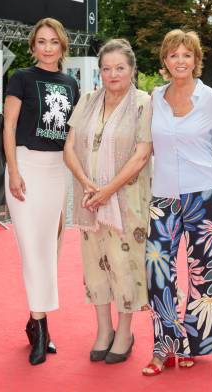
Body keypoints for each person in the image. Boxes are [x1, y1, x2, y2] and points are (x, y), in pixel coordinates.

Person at [142, 29, 212, 376]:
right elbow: (144, 148)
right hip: (163, 195)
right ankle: (166, 344)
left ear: (196, 60)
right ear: (165, 61)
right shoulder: (155, 98)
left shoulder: (211, 99)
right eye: (173, 55)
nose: (180, 61)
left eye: (186, 55)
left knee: (203, 274)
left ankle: (193, 344)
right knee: (157, 268)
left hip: (204, 193)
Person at [64, 39, 153, 364]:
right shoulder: (87, 100)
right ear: (99, 71)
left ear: (131, 70)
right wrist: (89, 186)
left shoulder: (143, 102)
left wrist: (108, 190)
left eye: (120, 68)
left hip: (127, 201)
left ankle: (125, 332)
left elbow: (141, 155)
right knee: (95, 266)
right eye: (106, 68)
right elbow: (69, 147)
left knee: (124, 266)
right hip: (89, 200)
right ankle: (103, 330)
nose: (112, 74)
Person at [3, 17, 80, 365]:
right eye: (42, 42)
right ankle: (42, 326)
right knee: (32, 248)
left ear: (62, 46)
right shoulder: (20, 78)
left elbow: (72, 135)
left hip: (56, 170)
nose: (48, 48)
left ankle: (34, 320)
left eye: (54, 42)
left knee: (51, 248)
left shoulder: (71, 83)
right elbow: (9, 127)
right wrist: (15, 171)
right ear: (32, 46)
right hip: (26, 167)